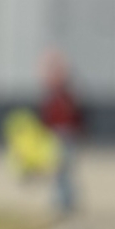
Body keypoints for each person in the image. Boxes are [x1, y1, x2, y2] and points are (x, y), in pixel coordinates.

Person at [38, 51, 89, 216]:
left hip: (66, 135)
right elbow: (46, 117)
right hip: (55, 135)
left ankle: (67, 202)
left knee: (64, 170)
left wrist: (80, 132)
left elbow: (78, 116)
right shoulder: (52, 96)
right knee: (58, 171)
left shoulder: (68, 95)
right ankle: (62, 201)